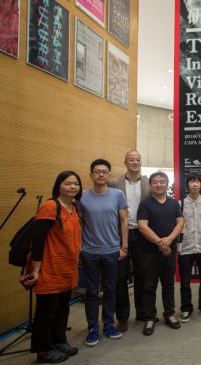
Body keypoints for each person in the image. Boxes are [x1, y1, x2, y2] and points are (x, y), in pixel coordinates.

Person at [28, 171, 83, 363]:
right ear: (59, 185)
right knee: (46, 311)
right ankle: (43, 349)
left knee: (62, 308)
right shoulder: (50, 207)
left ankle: (59, 341)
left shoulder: (74, 208)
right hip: (49, 268)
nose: (73, 187)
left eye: (76, 184)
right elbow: (37, 240)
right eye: (68, 183)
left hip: (67, 268)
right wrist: (35, 269)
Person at [79, 159, 128, 346]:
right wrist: (79, 248)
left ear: (109, 175)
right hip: (89, 252)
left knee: (110, 289)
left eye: (105, 172)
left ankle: (108, 324)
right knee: (91, 291)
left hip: (112, 251)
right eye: (97, 171)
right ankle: (92, 327)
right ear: (91, 175)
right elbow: (80, 223)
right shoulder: (82, 197)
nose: (101, 174)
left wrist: (124, 247)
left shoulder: (117, 195)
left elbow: (124, 221)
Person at [137, 172, 184, 335]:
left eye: (162, 182)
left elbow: (180, 222)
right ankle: (149, 317)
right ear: (150, 185)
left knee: (168, 285)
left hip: (169, 251)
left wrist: (169, 240)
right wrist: (160, 243)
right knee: (149, 286)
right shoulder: (145, 204)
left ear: (167, 184)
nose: (158, 184)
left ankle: (169, 314)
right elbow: (142, 226)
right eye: (155, 182)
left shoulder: (173, 203)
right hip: (149, 252)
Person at [109, 150, 151, 332]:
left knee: (143, 275)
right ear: (125, 162)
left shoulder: (149, 183)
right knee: (121, 277)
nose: (135, 162)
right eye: (131, 160)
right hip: (121, 235)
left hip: (143, 234)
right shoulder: (114, 184)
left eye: (138, 160)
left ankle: (142, 312)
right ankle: (123, 316)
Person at [178, 174, 201, 322]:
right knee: (185, 281)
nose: (194, 184)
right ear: (187, 185)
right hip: (186, 246)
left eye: (197, 182)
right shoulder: (180, 203)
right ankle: (186, 308)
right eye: (192, 182)